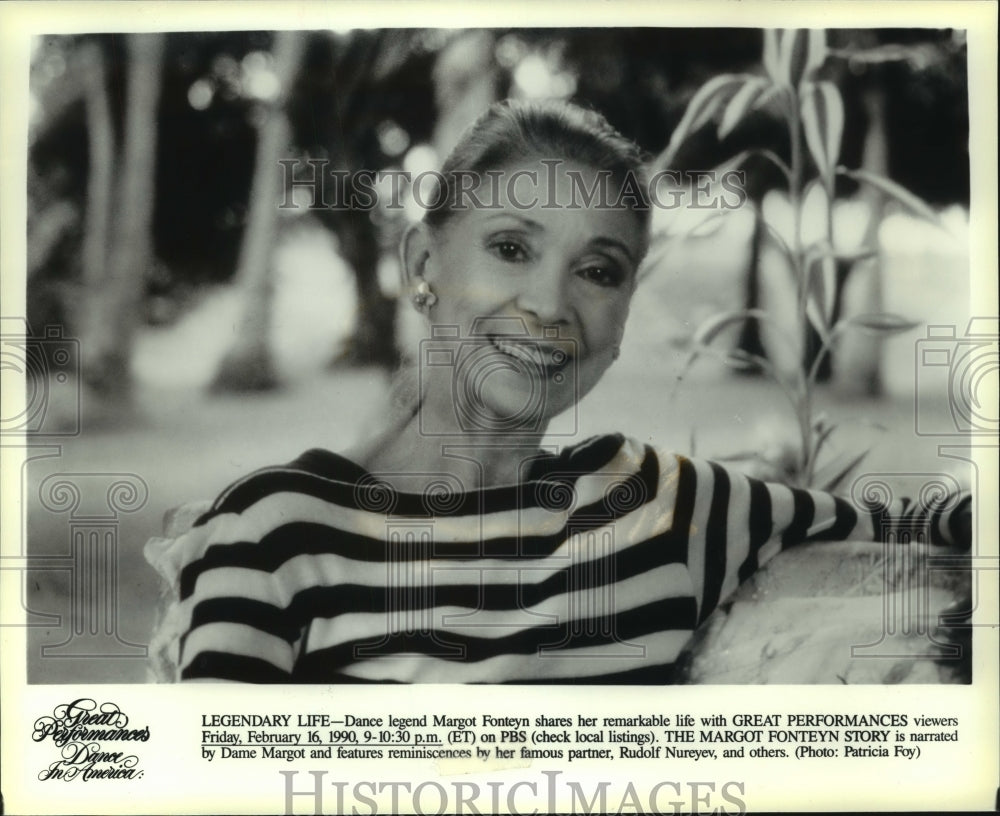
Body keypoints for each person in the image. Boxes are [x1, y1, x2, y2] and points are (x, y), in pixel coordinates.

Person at [145, 99, 971, 683]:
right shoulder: (273, 537)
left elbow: (922, 524)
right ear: (423, 266)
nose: (549, 304)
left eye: (598, 270)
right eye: (511, 248)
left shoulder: (657, 505)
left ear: (621, 312)